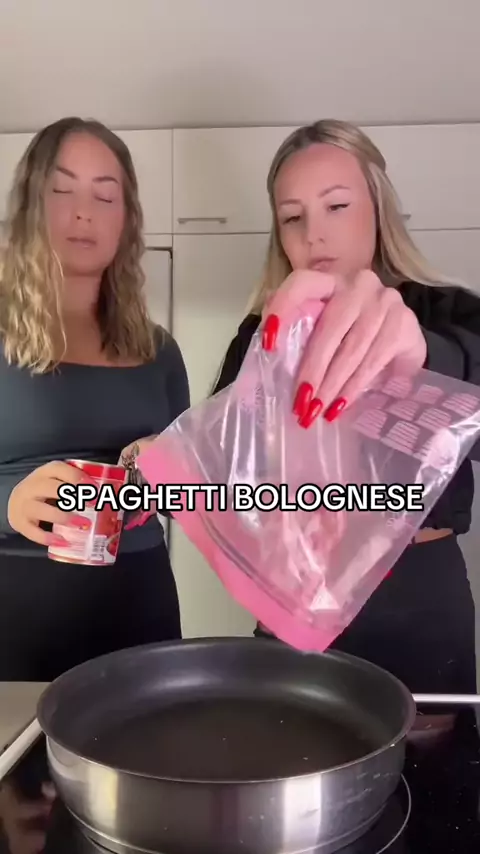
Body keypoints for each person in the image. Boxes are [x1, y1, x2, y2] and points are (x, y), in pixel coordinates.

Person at [213, 119, 480, 701]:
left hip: (418, 602)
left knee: (432, 756)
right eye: (293, 217)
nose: (315, 233)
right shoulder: (261, 335)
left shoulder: (450, 312)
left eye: (336, 206)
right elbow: (225, 472)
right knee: (288, 748)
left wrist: (423, 356)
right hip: (295, 596)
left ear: (378, 208)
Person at [0, 117, 189, 681]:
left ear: (126, 220)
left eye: (105, 196)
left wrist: (170, 470)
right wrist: (8, 502)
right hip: (17, 610)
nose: (83, 212)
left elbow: (192, 490)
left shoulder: (158, 350)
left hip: (142, 603)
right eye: (62, 191)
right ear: (31, 206)